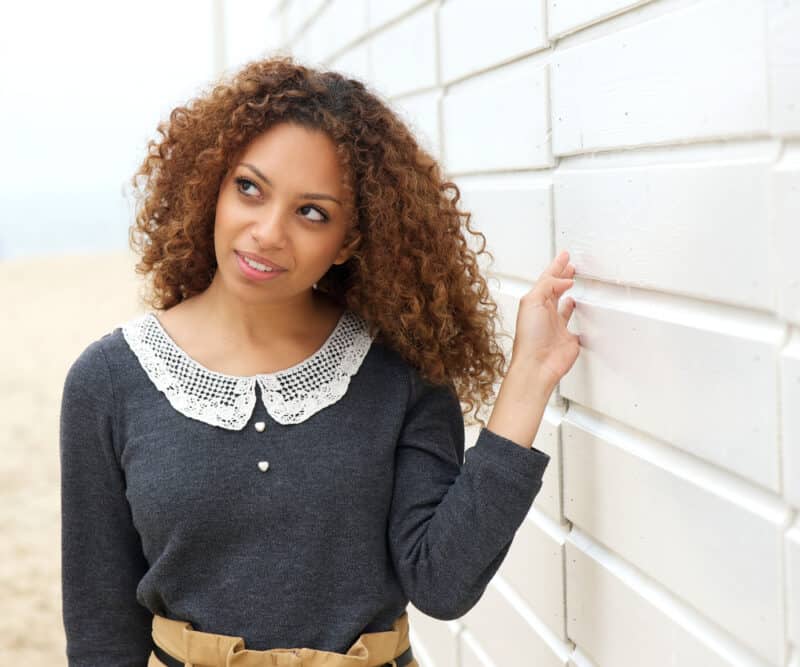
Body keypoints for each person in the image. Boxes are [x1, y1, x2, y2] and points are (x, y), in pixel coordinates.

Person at [59, 54, 580, 667]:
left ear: (350, 241)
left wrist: (527, 382)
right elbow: (102, 631)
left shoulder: (398, 371)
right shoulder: (109, 381)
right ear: (211, 188)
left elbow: (441, 583)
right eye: (249, 188)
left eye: (312, 212)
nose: (267, 232)